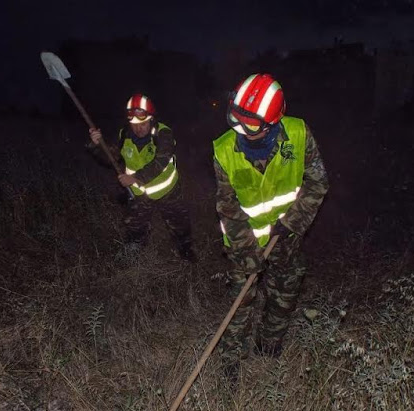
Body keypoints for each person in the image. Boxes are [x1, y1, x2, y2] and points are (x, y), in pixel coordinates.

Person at [213, 73, 329, 380]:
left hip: (286, 238)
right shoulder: (224, 150)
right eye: (234, 119)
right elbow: (227, 205)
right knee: (240, 302)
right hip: (243, 241)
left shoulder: (299, 135)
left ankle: (269, 347)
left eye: (249, 125)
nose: (239, 129)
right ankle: (231, 364)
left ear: (273, 121)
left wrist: (291, 223)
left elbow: (317, 184)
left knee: (284, 295)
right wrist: (246, 249)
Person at [88, 93, 196, 262]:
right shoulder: (124, 135)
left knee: (179, 223)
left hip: (167, 191)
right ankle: (133, 249)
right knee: (134, 225)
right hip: (139, 194)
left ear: (151, 119)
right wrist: (97, 146)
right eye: (134, 124)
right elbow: (111, 158)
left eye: (143, 123)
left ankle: (186, 250)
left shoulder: (163, 133)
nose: (138, 129)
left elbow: (160, 162)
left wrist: (135, 178)